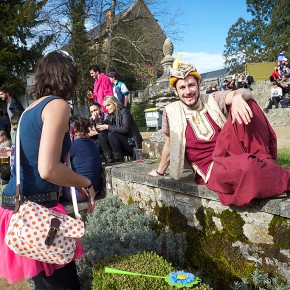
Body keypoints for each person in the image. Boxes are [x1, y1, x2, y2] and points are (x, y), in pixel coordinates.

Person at [0, 50, 96, 289]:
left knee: (45, 284)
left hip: (18, 209)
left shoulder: (30, 110)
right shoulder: (58, 106)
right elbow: (48, 169)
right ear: (68, 77)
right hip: (39, 214)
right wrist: (86, 182)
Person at [148, 59, 290, 207]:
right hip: (211, 168)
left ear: (199, 85)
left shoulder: (212, 99)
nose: (188, 91)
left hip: (229, 151)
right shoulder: (171, 112)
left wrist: (237, 98)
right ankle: (273, 173)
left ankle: (264, 162)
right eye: (182, 87)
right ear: (175, 91)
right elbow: (170, 144)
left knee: (248, 103)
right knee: (248, 167)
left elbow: (246, 92)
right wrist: (159, 172)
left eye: (191, 85)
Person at [61, 117, 102, 202]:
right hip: (96, 189)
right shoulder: (93, 144)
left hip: (81, 194)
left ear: (74, 130)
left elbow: (60, 162)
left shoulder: (73, 145)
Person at [96, 96, 143, 163]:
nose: (106, 108)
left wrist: (108, 127)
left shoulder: (124, 112)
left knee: (111, 135)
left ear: (115, 103)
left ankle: (118, 160)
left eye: (108, 105)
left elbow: (125, 129)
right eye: (105, 106)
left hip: (132, 144)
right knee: (102, 135)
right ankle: (110, 160)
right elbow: (99, 130)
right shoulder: (111, 115)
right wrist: (97, 120)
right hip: (121, 144)